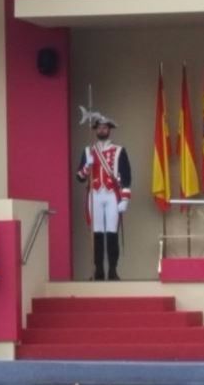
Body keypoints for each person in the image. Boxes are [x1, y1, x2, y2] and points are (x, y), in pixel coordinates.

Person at [75, 114, 131, 281]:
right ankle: (98, 269)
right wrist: (87, 166)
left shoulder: (119, 150)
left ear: (109, 130)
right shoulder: (88, 151)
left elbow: (126, 175)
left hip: (112, 195)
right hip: (95, 195)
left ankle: (113, 270)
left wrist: (125, 198)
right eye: (99, 128)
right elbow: (80, 177)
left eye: (105, 127)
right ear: (96, 130)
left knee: (112, 233)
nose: (102, 130)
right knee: (97, 233)